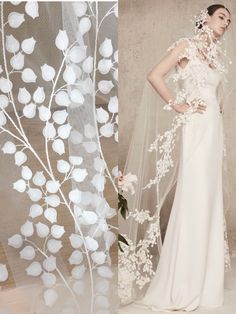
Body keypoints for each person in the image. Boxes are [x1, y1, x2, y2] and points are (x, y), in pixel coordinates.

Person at [119, 4, 232, 312]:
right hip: (195, 128)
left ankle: (204, 282)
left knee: (208, 198)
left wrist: (217, 106)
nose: (226, 23)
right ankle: (182, 283)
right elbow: (154, 75)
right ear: (205, 18)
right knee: (193, 196)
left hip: (213, 132)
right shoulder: (186, 46)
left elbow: (214, 94)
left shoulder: (218, 57)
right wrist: (179, 105)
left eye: (229, 20)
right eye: (221, 16)